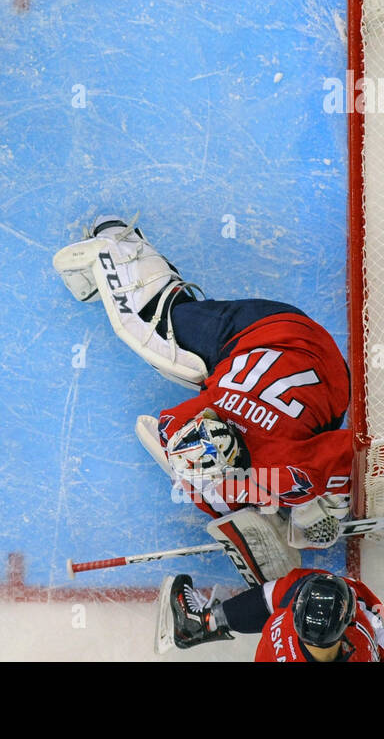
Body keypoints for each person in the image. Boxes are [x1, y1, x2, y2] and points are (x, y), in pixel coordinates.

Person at [53, 217, 354, 583]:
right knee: (165, 348)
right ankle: (130, 259)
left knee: (168, 345)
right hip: (284, 344)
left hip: (297, 346)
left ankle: (123, 249)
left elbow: (348, 449)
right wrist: (305, 506)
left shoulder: (282, 462)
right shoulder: (194, 422)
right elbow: (159, 433)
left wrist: (325, 506)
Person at [160, 569, 384, 662]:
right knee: (349, 589)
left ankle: (205, 622)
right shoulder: (361, 632)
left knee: (298, 582)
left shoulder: (282, 624)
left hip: (278, 636)